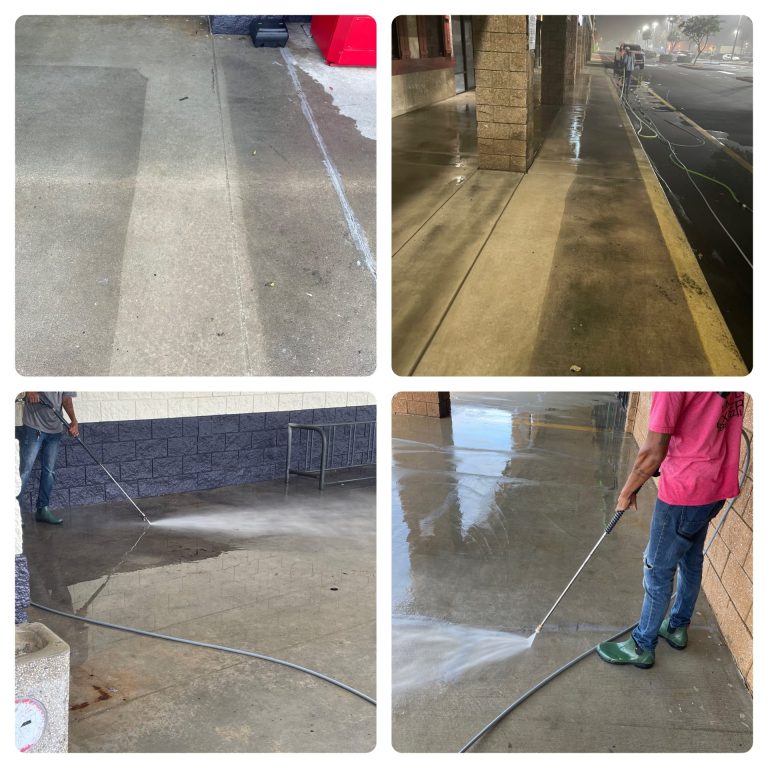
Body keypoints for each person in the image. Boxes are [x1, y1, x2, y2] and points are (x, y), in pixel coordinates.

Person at [596, 392, 744, 669]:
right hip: (713, 487)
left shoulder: (672, 385)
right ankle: (677, 627)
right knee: (690, 560)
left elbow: (653, 450)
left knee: (657, 569)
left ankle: (641, 645)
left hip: (685, 491)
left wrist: (626, 492)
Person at [17, 392, 79, 525]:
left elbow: (66, 398)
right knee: (24, 471)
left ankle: (42, 509)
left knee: (49, 471)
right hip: (34, 425)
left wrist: (73, 420)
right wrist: (29, 390)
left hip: (55, 428)